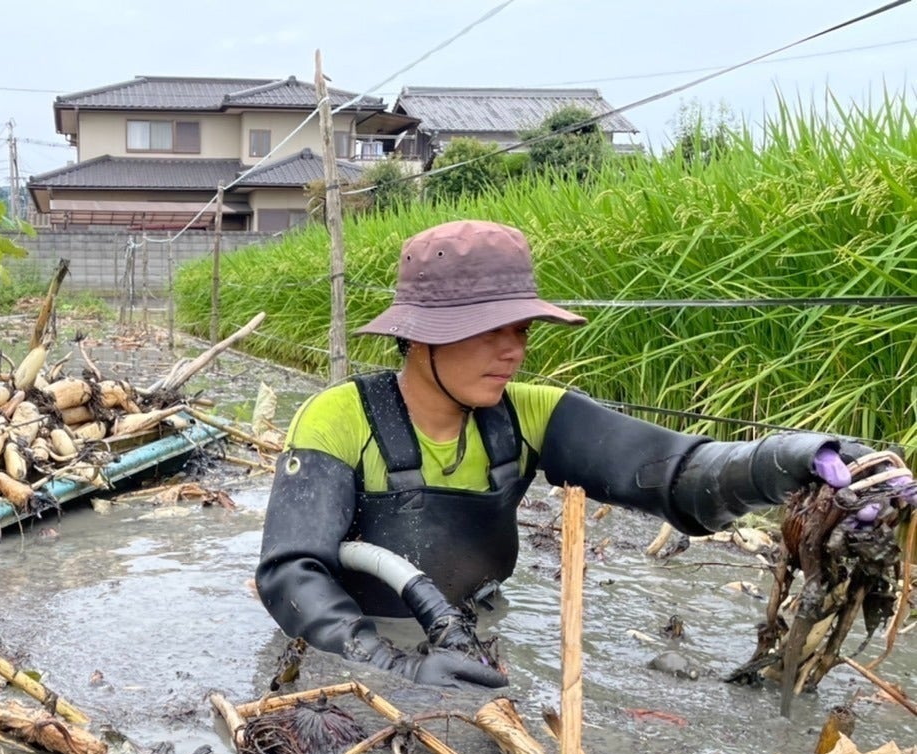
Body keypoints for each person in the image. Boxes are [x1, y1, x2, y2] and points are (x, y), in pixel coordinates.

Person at [254, 220, 913, 689]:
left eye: (519, 329)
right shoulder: (340, 417)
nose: (512, 350)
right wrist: (394, 668)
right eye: (487, 331)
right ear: (420, 337)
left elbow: (676, 474)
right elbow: (289, 573)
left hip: (476, 635)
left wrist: (790, 459)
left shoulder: (530, 414)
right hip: (350, 651)